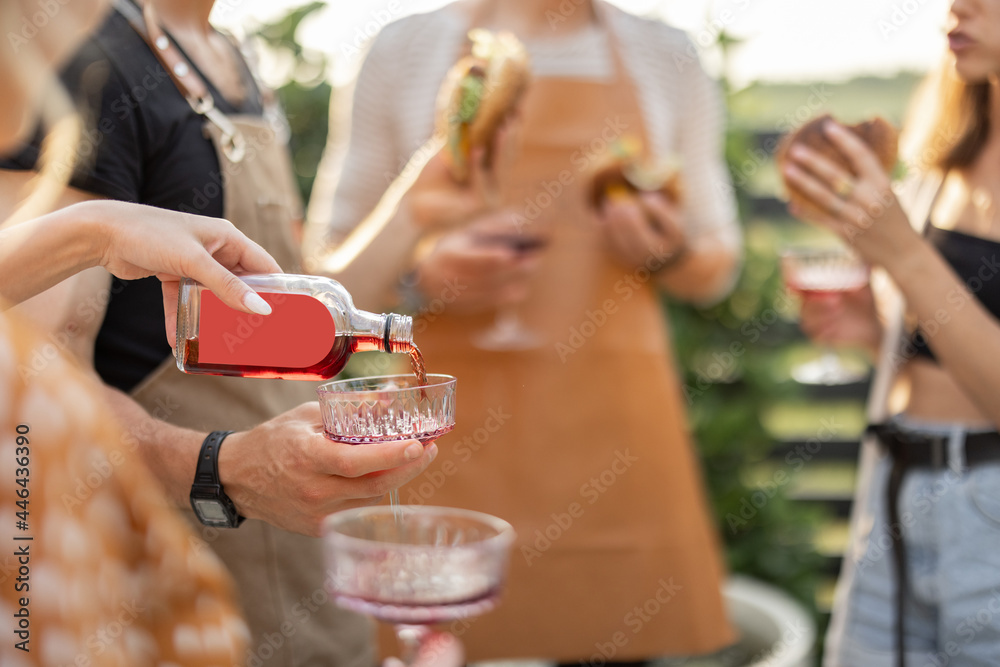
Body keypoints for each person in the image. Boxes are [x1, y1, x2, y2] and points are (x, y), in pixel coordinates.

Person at [0, 1, 440, 664]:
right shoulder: (81, 59)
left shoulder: (236, 64)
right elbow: (38, 391)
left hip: (299, 574)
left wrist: (420, 205)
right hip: (160, 580)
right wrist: (224, 468)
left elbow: (300, 302)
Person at [307, 0, 742, 662]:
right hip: (448, 452)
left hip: (615, 458)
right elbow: (328, 270)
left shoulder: (667, 55)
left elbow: (717, 268)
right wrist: (423, 278)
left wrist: (669, 251)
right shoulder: (403, 51)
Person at [782, 1, 1000, 664]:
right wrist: (876, 334)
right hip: (896, 496)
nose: (957, 5)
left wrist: (902, 253)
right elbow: (945, 339)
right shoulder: (953, 150)